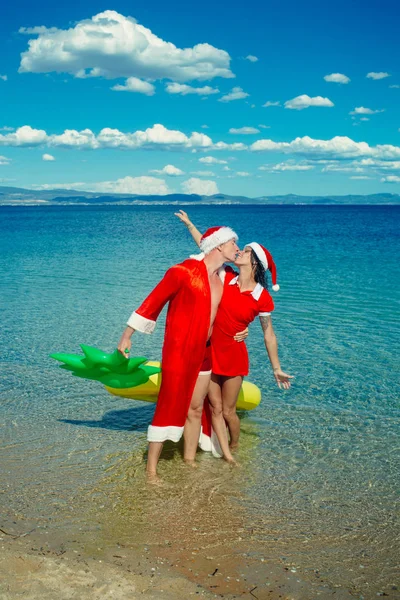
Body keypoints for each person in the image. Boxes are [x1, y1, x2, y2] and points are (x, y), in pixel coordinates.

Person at [117, 225, 242, 479]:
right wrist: (127, 336)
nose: (237, 248)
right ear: (219, 246)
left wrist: (243, 330)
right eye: (233, 243)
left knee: (196, 408)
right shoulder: (183, 272)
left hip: (205, 352)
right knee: (168, 404)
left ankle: (189, 460)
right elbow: (154, 300)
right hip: (179, 351)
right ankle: (151, 471)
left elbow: (242, 302)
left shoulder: (225, 276)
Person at [175, 211, 293, 464]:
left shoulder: (262, 296)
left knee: (228, 411)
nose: (240, 251)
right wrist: (189, 224)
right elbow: (208, 246)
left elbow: (269, 334)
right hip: (209, 352)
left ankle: (236, 444)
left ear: (255, 263)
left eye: (247, 251)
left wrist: (277, 368)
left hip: (234, 356)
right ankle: (220, 449)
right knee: (214, 407)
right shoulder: (226, 276)